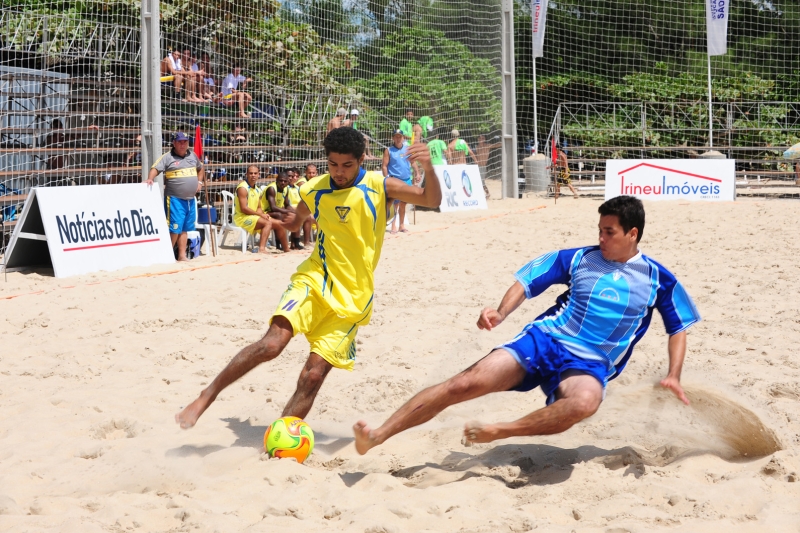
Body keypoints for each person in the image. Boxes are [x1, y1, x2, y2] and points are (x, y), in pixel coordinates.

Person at [354, 195, 701, 455]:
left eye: (609, 232)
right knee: (463, 383)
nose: (601, 238)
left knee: (584, 404)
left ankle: (502, 430)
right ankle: (378, 435)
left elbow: (678, 327)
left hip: (589, 363)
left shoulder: (659, 279)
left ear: (632, 233)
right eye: (599, 230)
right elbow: (529, 280)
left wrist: (674, 373)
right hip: (546, 339)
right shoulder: (580, 258)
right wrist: (502, 312)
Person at [175, 127, 442, 429]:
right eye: (333, 164)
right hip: (315, 278)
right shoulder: (316, 187)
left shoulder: (380, 186)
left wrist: (429, 168)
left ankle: (280, 437)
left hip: (353, 297)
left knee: (313, 375)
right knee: (272, 345)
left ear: (362, 159)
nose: (339, 172)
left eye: (347, 165)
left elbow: (430, 199)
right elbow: (297, 219)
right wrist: (290, 221)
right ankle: (207, 395)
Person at [146, 132, 205, 261]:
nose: (182, 144)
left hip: (189, 200)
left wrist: (199, 182)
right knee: (175, 228)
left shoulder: (193, 156)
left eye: (185, 141)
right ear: (174, 143)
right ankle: (166, 255)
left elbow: (201, 168)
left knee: (184, 228)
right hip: (174, 199)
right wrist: (150, 178)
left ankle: (182, 255)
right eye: (179, 142)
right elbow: (155, 168)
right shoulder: (168, 157)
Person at [234, 165, 274, 254]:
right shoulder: (242, 188)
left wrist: (263, 215)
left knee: (274, 222)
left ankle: (283, 246)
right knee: (267, 223)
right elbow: (244, 209)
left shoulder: (257, 189)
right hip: (241, 218)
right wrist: (260, 215)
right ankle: (261, 248)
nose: (253, 175)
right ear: (246, 174)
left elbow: (259, 207)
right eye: (251, 173)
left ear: (259, 175)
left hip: (252, 216)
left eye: (255, 173)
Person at [382, 129, 413, 234]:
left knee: (403, 204)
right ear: (393, 138)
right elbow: (384, 166)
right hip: (395, 180)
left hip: (407, 179)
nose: (398, 138)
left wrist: (417, 173)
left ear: (403, 138)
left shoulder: (407, 149)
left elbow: (412, 162)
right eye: (396, 136)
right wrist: (387, 178)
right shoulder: (389, 150)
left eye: (400, 136)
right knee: (394, 204)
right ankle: (393, 226)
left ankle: (402, 225)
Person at [260, 171, 293, 252]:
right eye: (281, 180)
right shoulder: (272, 188)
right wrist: (287, 211)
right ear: (277, 180)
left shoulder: (286, 189)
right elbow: (273, 207)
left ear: (288, 182)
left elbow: (287, 204)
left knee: (293, 216)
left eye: (285, 181)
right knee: (279, 215)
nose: (283, 183)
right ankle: (278, 243)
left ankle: (295, 243)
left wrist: (293, 211)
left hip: (275, 211)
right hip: (263, 212)